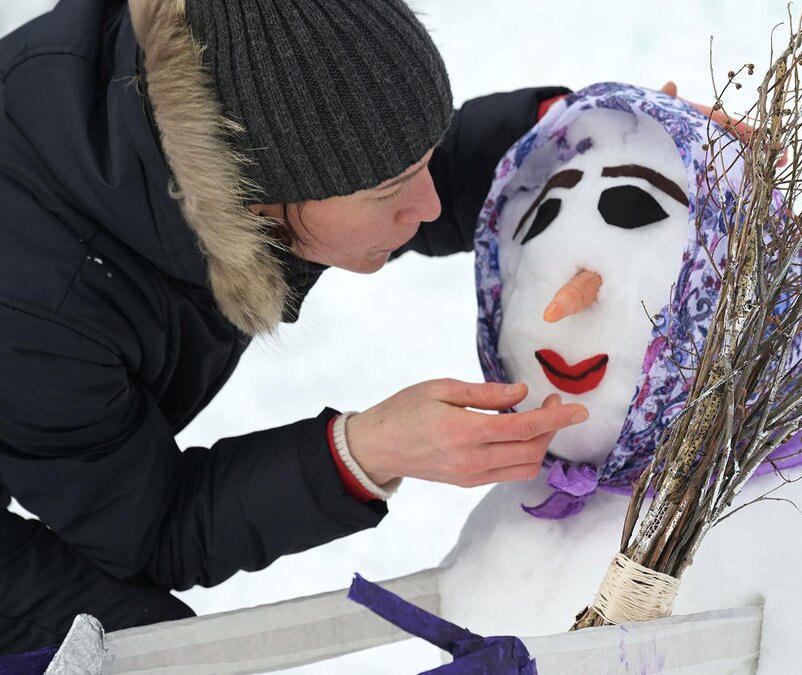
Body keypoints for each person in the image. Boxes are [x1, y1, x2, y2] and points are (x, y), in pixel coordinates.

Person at [0, 0, 598, 654]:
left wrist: (577, 141)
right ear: (255, 196)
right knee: (139, 656)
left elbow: (370, 157)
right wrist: (366, 448)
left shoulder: (242, 69)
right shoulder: (47, 304)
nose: (426, 205)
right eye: (390, 190)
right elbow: (154, 526)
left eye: (422, 163)